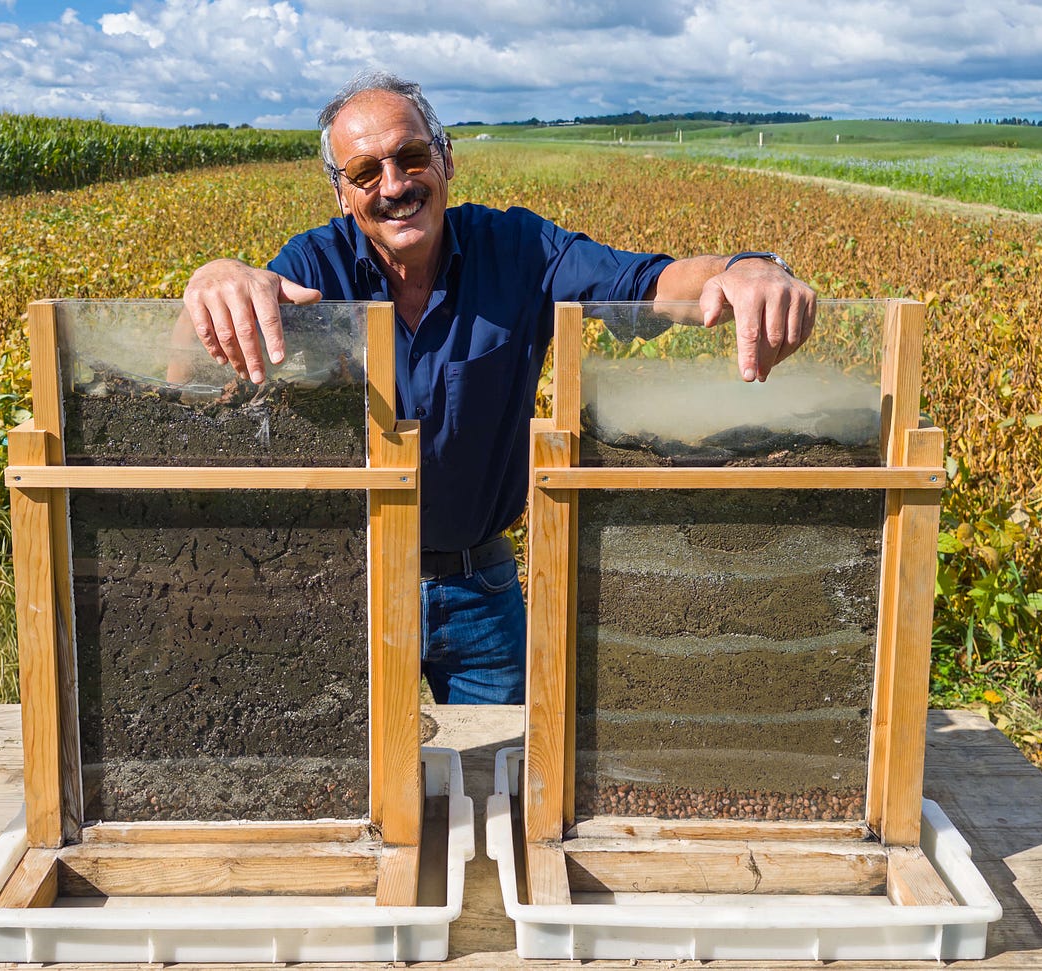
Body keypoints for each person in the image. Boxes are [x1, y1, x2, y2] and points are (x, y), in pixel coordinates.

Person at [181, 70, 816, 705]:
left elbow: (646, 284)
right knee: (359, 788)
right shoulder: (314, 266)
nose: (395, 185)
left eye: (410, 157)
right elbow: (187, 368)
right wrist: (215, 278)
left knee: (502, 775)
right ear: (342, 192)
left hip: (480, 589)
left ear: (445, 157)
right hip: (348, 582)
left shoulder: (522, 251)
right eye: (366, 172)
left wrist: (747, 269)